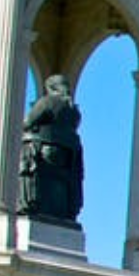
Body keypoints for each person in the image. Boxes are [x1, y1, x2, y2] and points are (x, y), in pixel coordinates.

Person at [19, 74, 84, 223]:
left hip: (44, 151)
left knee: (16, 156)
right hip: (68, 157)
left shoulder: (47, 101)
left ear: (51, 88)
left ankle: (29, 205)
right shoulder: (74, 110)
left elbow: (28, 122)